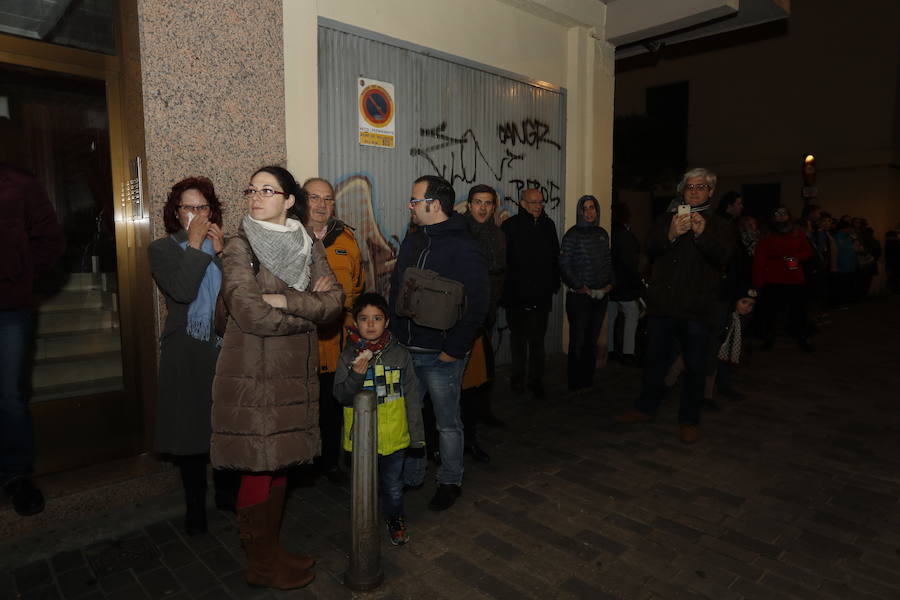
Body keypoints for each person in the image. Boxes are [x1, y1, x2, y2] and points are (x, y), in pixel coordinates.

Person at [212, 166, 343, 590]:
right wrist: (304, 313)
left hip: (293, 375)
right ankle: (261, 564)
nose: (256, 196)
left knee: (281, 462)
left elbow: (335, 302)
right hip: (254, 374)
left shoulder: (307, 243)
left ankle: (271, 549)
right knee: (257, 466)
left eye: (268, 190)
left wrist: (283, 299)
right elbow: (249, 313)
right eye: (252, 189)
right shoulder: (239, 246)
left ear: (290, 200)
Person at [388, 175, 488, 511]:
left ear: (433, 204)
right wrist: (393, 335)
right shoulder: (412, 240)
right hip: (406, 350)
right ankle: (413, 474)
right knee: (410, 419)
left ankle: (450, 479)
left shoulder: (464, 247)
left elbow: (478, 305)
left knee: (447, 423)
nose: (410, 206)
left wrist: (453, 350)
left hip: (441, 356)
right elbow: (396, 289)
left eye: (415, 200)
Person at [615, 167, 733, 444]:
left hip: (696, 309)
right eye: (690, 187)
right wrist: (669, 233)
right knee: (653, 361)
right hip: (662, 306)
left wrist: (703, 236)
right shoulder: (668, 217)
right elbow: (651, 247)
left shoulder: (720, 225)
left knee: (694, 367)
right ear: (683, 191)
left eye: (700, 187)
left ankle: (689, 419)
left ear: (711, 191)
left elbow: (723, 258)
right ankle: (646, 407)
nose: (694, 191)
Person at [148, 176, 236, 535]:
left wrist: (224, 256)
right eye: (188, 207)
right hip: (186, 350)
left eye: (202, 207)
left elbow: (240, 297)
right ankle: (195, 506)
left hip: (223, 346)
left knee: (226, 424)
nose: (196, 214)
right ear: (176, 212)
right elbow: (183, 292)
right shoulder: (162, 249)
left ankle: (228, 495)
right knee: (191, 432)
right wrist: (198, 247)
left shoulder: (226, 246)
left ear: (212, 211)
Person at [333, 293, 424, 546]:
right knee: (363, 488)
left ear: (386, 322)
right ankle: (363, 523)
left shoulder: (400, 355)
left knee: (393, 485)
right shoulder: (348, 355)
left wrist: (416, 436)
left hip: (394, 436)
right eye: (364, 319)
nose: (370, 324)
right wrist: (356, 376)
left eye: (377, 318)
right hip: (361, 439)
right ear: (355, 323)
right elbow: (340, 395)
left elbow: (412, 397)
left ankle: (395, 519)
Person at [1, 163, 65, 517]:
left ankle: (16, 475)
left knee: (10, 396)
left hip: (8, 308)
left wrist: (21, 277)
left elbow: (51, 240)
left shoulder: (19, 183)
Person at [302, 177, 365, 484]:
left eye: (328, 199)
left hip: (338, 344)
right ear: (302, 201)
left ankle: (328, 463)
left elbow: (359, 286)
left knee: (332, 409)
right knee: (303, 410)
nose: (322, 205)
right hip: (301, 345)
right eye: (314, 198)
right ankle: (301, 465)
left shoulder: (347, 240)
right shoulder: (289, 238)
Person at [460, 184, 507, 462]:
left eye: (488, 203)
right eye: (478, 202)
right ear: (469, 204)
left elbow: (499, 276)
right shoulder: (460, 233)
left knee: (481, 375)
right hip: (462, 317)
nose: (482, 208)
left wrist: (491, 308)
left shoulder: (499, 236)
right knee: (459, 380)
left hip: (486, 315)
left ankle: (478, 420)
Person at [501, 187, 560, 397]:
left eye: (540, 202)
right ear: (523, 203)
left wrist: (553, 285)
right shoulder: (510, 226)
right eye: (533, 202)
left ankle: (536, 382)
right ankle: (517, 382)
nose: (538, 206)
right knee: (518, 342)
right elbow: (504, 262)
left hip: (541, 296)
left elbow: (555, 257)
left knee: (537, 343)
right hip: (516, 297)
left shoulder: (548, 226)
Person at [559, 195, 612, 390]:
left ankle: (588, 380)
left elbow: (608, 261)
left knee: (592, 341)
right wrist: (579, 285)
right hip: (579, 297)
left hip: (600, 296)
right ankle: (575, 382)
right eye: (586, 208)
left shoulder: (602, 234)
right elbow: (563, 265)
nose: (590, 212)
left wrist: (610, 284)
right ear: (580, 212)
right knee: (578, 341)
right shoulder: (572, 235)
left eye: (593, 208)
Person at [752, 205, 813, 351]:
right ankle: (768, 339)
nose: (780, 216)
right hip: (773, 277)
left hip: (794, 277)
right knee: (770, 312)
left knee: (799, 311)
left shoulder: (798, 233)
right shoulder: (766, 234)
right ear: (772, 217)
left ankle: (802, 338)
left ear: (789, 216)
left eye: (783, 213)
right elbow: (759, 259)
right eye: (777, 213)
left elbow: (807, 251)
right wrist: (757, 282)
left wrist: (797, 257)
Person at [607, 201, 642, 366]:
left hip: (610, 282)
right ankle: (629, 351)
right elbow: (629, 262)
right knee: (632, 314)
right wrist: (638, 283)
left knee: (611, 316)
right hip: (624, 283)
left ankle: (610, 350)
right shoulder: (624, 235)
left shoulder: (609, 232)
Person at [714, 288, 757, 400]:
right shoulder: (724, 313)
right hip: (711, 344)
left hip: (724, 348)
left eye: (751, 304)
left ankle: (723, 387)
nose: (747, 307)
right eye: (744, 302)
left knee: (724, 363)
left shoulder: (743, 318)